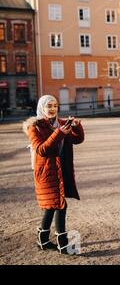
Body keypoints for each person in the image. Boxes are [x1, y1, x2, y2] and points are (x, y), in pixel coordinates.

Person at [23, 95, 84, 254]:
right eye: (49, 106)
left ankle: (42, 240)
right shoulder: (34, 127)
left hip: (62, 168)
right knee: (60, 204)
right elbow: (41, 149)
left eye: (55, 106)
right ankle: (62, 243)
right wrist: (58, 133)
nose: (52, 109)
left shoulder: (62, 123)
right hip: (46, 172)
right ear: (42, 107)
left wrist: (76, 127)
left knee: (51, 206)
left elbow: (77, 140)